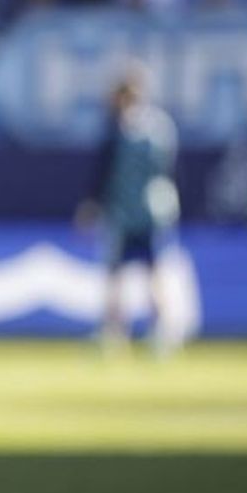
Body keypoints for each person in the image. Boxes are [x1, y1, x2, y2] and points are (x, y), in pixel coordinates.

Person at [75, 62, 180, 352]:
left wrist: (91, 205)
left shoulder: (119, 128)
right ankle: (159, 333)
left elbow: (103, 172)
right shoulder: (161, 126)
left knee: (118, 275)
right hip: (154, 210)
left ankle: (114, 332)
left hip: (123, 213)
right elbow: (169, 172)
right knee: (152, 272)